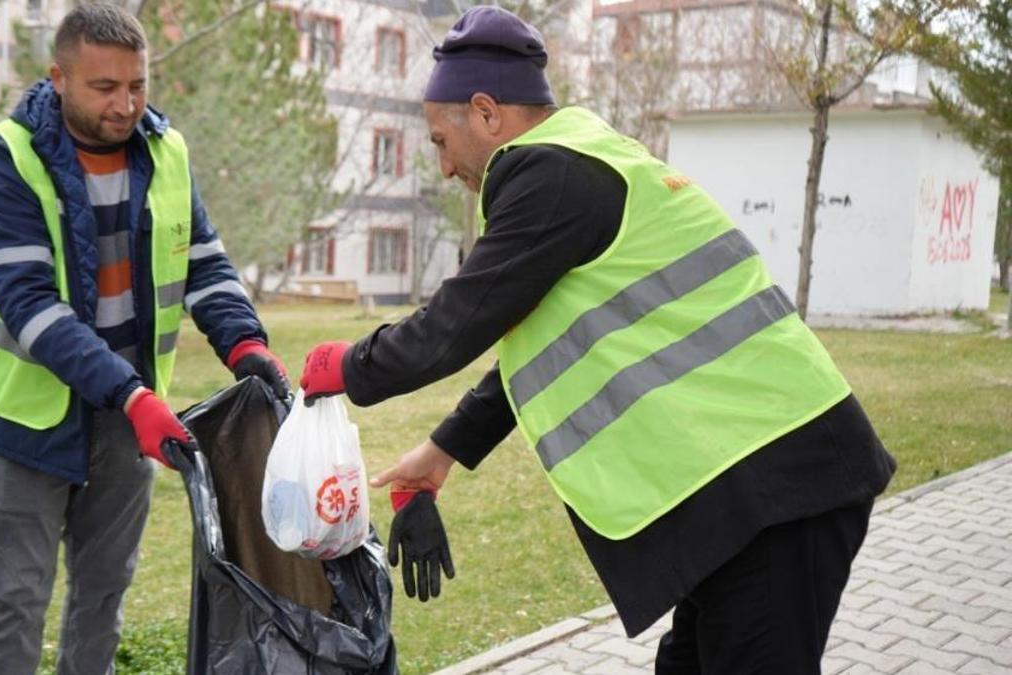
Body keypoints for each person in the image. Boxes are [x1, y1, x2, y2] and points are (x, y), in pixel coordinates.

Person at [301, 6, 896, 672]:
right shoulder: (580, 161)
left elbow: (452, 326)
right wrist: (443, 451)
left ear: (487, 112)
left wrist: (345, 366)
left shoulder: (550, 177)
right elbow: (547, 348)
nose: (443, 167)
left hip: (780, 485)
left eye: (441, 140)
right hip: (748, 495)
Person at [0, 4, 289, 674]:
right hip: (24, 421)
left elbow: (203, 263)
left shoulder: (165, 153)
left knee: (104, 596)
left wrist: (244, 344)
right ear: (59, 77)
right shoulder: (7, 160)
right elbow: (29, 305)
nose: (125, 104)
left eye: (137, 86)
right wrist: (134, 395)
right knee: (17, 600)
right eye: (104, 88)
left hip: (123, 421)